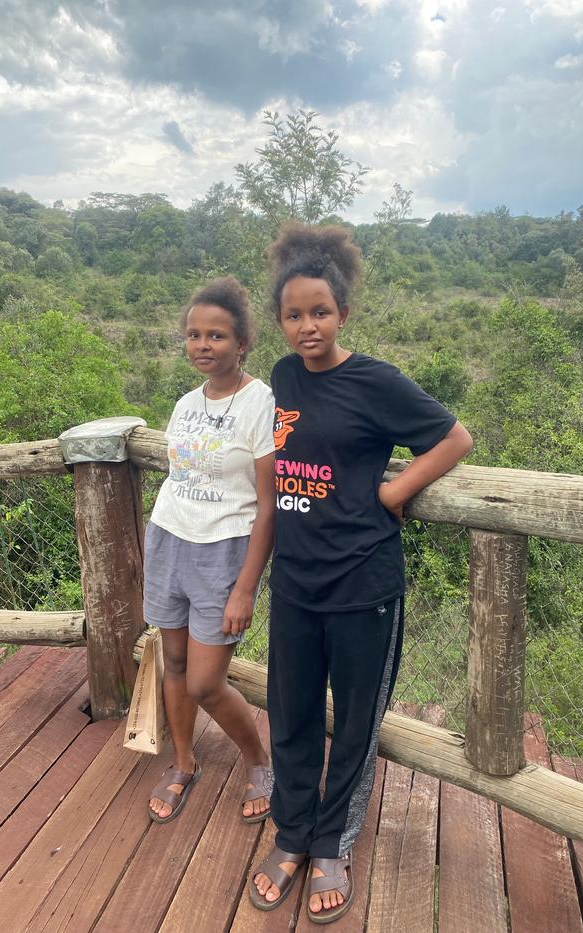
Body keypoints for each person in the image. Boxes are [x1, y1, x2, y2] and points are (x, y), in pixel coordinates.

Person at [250, 225, 473, 924]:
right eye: (294, 314)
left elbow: (453, 436)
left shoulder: (373, 379)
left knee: (352, 724)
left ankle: (330, 846)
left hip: (363, 584)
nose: (307, 325)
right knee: (288, 713)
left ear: (343, 313)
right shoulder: (283, 378)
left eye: (320, 311)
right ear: (280, 320)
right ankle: (290, 834)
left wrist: (394, 491)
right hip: (294, 581)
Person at [145, 276, 275, 825]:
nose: (203, 345)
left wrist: (246, 586)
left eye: (217, 336)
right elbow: (180, 476)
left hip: (223, 551)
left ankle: (260, 761)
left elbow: (267, 505)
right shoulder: (184, 404)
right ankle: (182, 762)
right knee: (172, 662)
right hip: (169, 539)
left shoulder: (260, 401)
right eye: (194, 335)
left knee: (205, 681)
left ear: (242, 342)